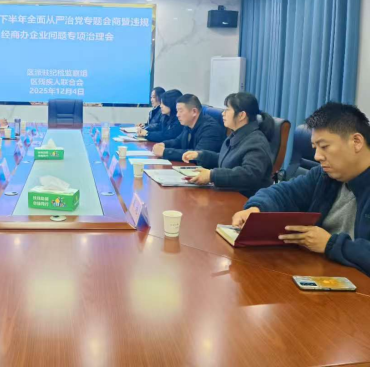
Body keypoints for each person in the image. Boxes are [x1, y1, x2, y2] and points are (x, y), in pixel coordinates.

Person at [232, 103, 370, 276]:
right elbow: (284, 192)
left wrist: (330, 244)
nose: (317, 156)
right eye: (315, 148)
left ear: (356, 142)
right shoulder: (324, 176)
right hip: (323, 272)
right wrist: (256, 208)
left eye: (324, 146)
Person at [182, 92, 274, 197]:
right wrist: (200, 155)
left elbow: (249, 174)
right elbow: (227, 159)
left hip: (245, 199)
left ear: (241, 115)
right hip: (229, 193)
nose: (223, 113)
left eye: (227, 109)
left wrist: (212, 175)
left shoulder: (256, 141)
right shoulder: (236, 134)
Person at [152, 94, 226, 162]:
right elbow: (178, 141)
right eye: (177, 111)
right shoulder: (188, 124)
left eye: (180, 111)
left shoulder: (210, 129)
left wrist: (165, 152)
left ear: (194, 111)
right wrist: (163, 144)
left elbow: (196, 156)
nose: (177, 115)